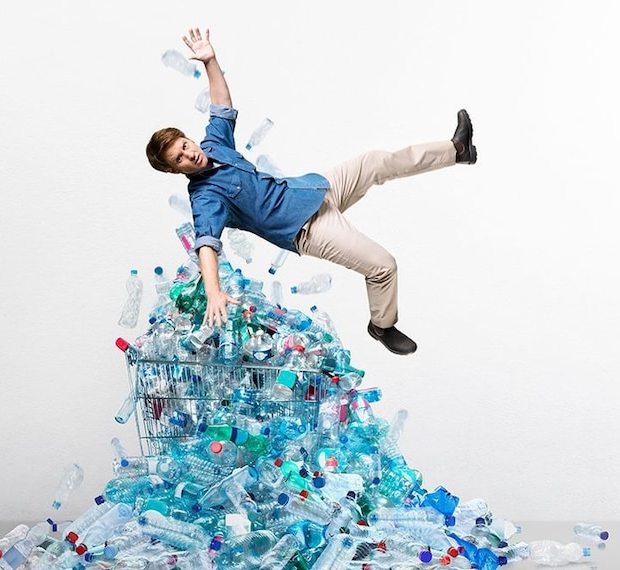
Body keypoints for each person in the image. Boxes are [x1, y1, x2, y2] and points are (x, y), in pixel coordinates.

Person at [146, 27, 477, 355]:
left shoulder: (214, 145)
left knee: (374, 161)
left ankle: (457, 151)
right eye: (180, 158)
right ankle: (383, 325)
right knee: (383, 266)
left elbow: (222, 105)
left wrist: (210, 61)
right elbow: (206, 244)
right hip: (308, 229)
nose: (190, 154)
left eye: (185, 145)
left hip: (313, 188)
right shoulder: (204, 197)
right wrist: (213, 291)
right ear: (175, 169)